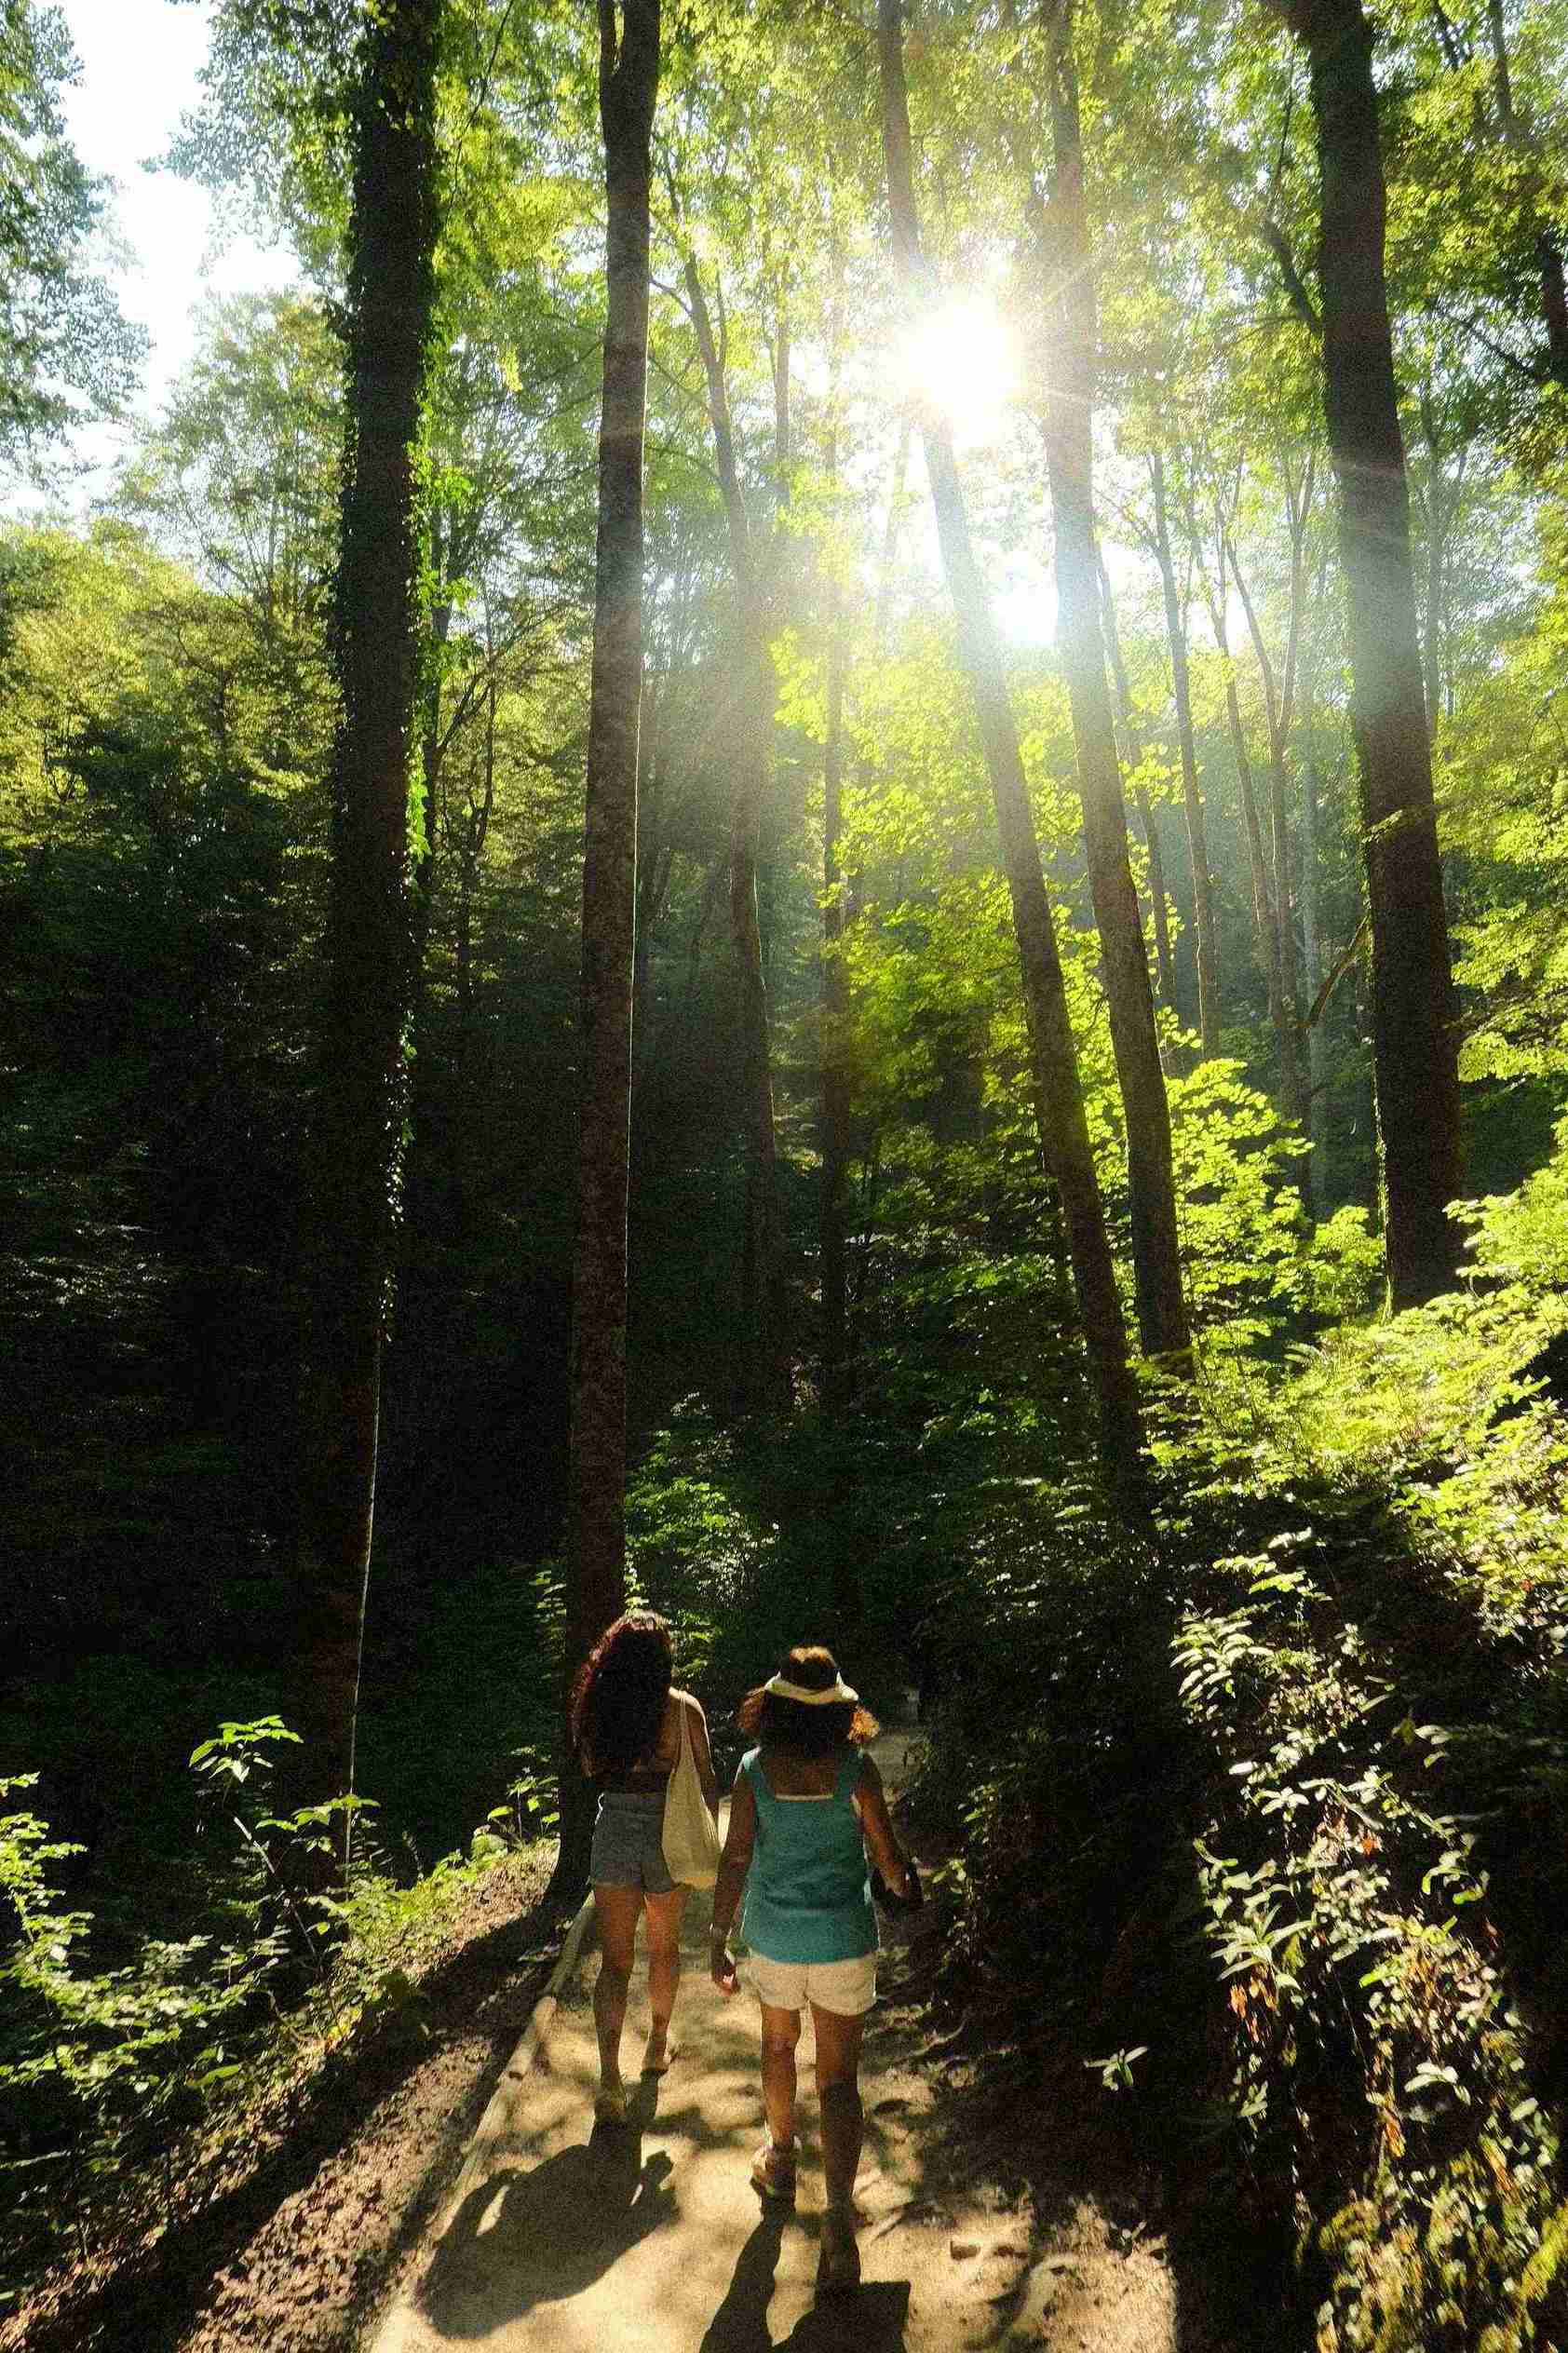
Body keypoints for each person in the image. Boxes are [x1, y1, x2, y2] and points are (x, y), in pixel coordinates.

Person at [709, 1644, 915, 2294]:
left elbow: (737, 1859)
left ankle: (781, 2159)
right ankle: (837, 2227)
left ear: (776, 1707)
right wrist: (904, 1881)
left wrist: (718, 1933)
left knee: (777, 2044)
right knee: (839, 2080)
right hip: (842, 1940)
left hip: (773, 1937)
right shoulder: (857, 1771)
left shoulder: (751, 1771)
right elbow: (887, 1862)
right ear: (836, 1711)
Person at [572, 1610, 720, 2124]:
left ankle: (609, 2080)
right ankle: (657, 2044)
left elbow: (591, 1769)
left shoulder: (596, 1708)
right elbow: (706, 1780)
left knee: (615, 1962)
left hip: (614, 1828)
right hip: (667, 1833)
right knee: (664, 1946)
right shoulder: (684, 1710)